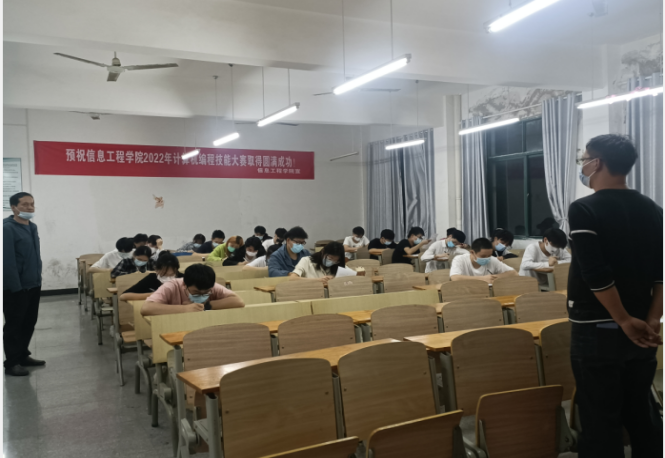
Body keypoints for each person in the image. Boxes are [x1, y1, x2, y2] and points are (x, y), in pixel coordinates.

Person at [568, 134, 662, 456]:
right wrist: (652, 319)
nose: (583, 166)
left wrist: (622, 320)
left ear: (597, 163)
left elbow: (595, 274)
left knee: (600, 417)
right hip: (643, 329)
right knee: (641, 412)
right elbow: (661, 273)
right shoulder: (654, 210)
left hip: (598, 327)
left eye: (584, 159)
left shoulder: (584, 208)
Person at [3, 192, 44, 376]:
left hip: (33, 284)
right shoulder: (7, 229)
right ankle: (11, 363)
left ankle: (22, 355)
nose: (30, 207)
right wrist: (16, 288)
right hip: (16, 288)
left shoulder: (32, 227)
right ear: (14, 207)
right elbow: (7, 262)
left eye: (32, 204)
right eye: (25, 204)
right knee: (14, 325)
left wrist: (37, 279)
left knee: (29, 322)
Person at [141, 264, 244, 316]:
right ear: (184, 284)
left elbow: (238, 301)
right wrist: (185, 309)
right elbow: (146, 308)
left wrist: (205, 306)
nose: (202, 295)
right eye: (196, 293)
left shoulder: (210, 285)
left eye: (206, 293)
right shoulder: (171, 286)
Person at [450, 238, 517, 283]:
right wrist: (482, 279)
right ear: (472, 252)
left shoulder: (492, 260)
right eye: (483, 256)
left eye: (489, 255)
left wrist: (493, 278)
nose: (487, 258)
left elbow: (514, 273)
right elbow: (455, 278)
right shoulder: (459, 259)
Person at [289, 242, 355, 282]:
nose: (332, 262)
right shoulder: (306, 261)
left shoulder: (338, 264)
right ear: (323, 252)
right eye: (330, 258)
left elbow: (354, 277)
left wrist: (334, 279)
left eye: (335, 261)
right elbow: (292, 278)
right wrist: (317, 280)